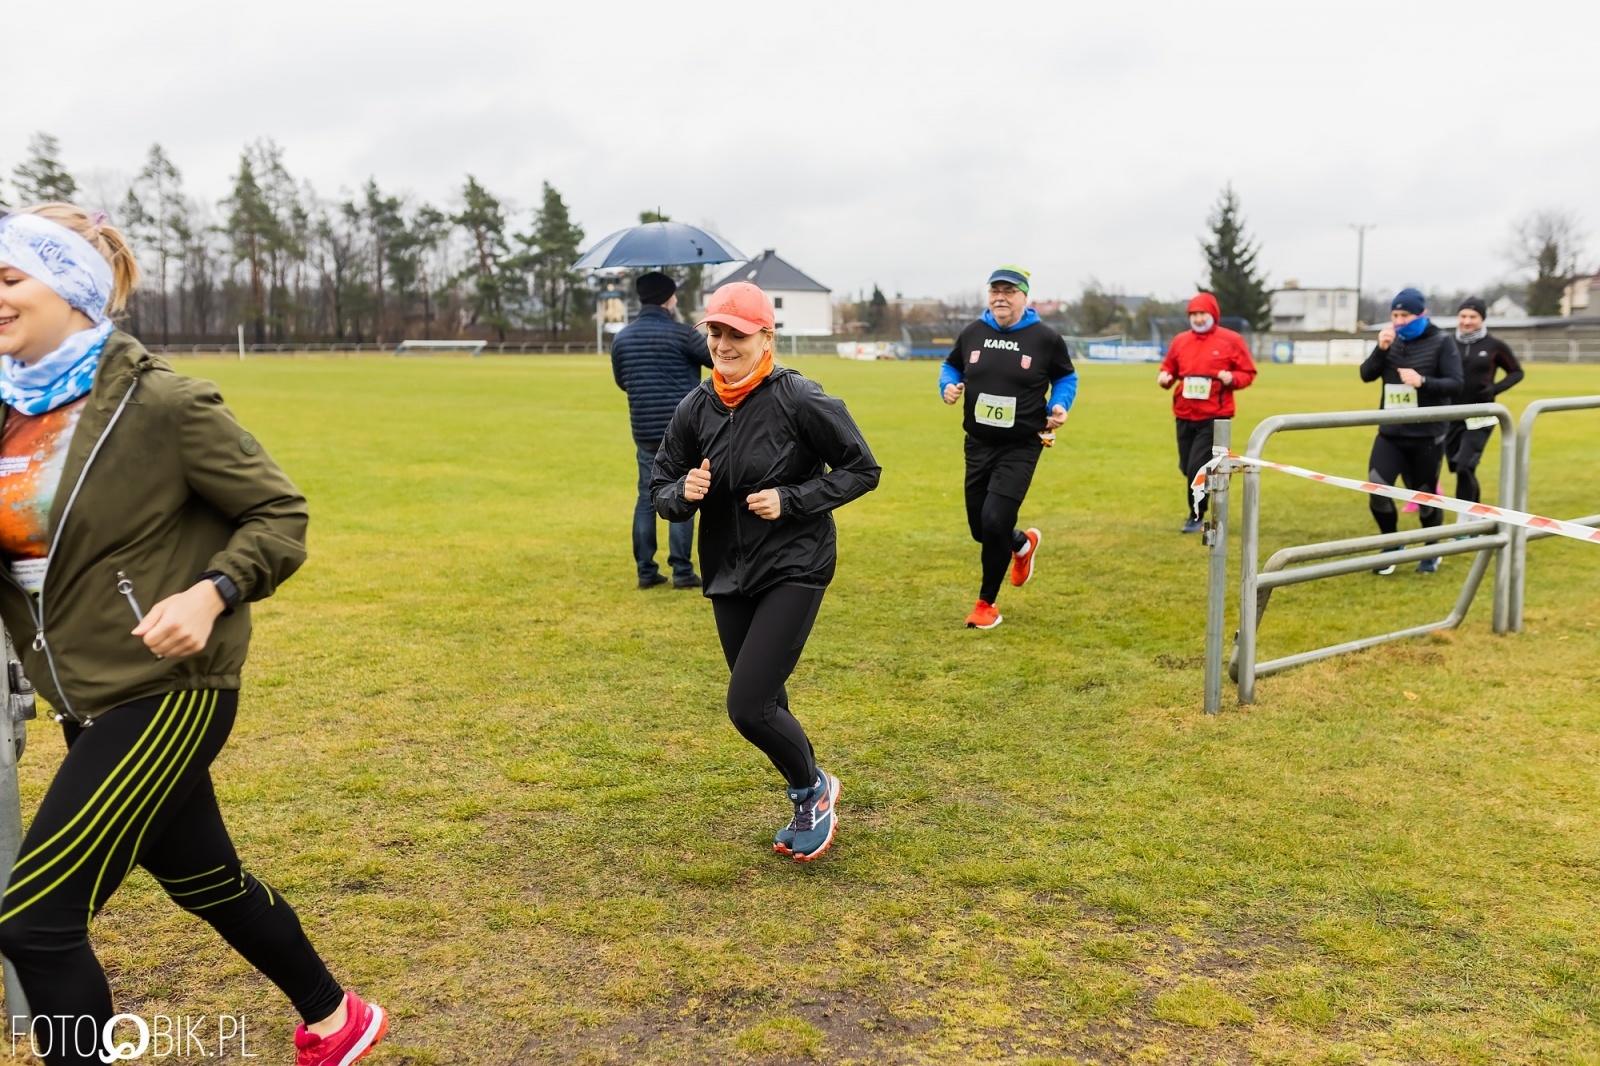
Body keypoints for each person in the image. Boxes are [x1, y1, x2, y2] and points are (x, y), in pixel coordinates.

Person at [0, 204, 386, 1066]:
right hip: (85, 696)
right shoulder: (11, 414)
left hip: (165, 691)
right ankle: (338, 1017)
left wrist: (212, 593)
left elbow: (278, 512)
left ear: (70, 288)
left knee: (38, 924)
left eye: (10, 277)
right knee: (205, 878)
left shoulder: (161, 403)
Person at [652, 282, 879, 862]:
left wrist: (793, 499)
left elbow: (862, 469)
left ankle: (811, 792)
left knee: (747, 706)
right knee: (766, 699)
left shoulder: (799, 398)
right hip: (728, 571)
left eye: (737, 333)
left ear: (765, 337)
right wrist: (684, 492)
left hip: (795, 564)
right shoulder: (696, 406)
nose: (724, 344)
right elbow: (660, 487)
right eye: (716, 332)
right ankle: (815, 783)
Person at [940, 266, 1077, 629]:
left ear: (1024, 296)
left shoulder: (1045, 338)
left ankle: (986, 605)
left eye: (1010, 291)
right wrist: (948, 387)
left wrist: (1060, 405)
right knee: (980, 528)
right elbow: (951, 367)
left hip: (1022, 444)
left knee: (995, 518)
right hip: (978, 444)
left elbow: (1066, 376)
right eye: (995, 290)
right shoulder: (972, 332)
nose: (1001, 297)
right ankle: (1022, 544)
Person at [610, 271, 712, 589]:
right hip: (683, 428)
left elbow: (622, 381)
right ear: (668, 298)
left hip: (643, 426)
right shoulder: (683, 334)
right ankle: (682, 570)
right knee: (684, 491)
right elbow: (718, 359)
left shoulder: (622, 337)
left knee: (646, 495)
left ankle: (645, 570)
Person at [1358, 287, 1463, 575]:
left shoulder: (1442, 342)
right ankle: (1392, 545)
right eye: (1394, 315)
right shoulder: (1389, 340)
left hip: (1427, 435)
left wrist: (1423, 381)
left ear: (1420, 315)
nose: (1399, 320)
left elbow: (1455, 383)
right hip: (1390, 432)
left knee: (1424, 495)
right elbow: (1366, 375)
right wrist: (1380, 350)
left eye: (1405, 315)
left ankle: (1431, 548)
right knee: (1376, 488)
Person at [1156, 292, 1256, 533]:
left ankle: (1196, 515)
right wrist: (1165, 377)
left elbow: (1248, 372)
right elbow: (1168, 367)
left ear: (1213, 315)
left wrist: (1231, 378)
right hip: (1184, 413)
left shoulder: (1231, 340)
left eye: (1203, 314)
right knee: (1186, 467)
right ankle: (1216, 473)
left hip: (1215, 416)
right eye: (1194, 314)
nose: (1198, 319)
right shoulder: (1180, 341)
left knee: (1195, 468)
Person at [1445, 295, 1523, 505]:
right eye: (1463, 316)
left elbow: (1516, 372)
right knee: (1460, 469)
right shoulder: (1447, 343)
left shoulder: (1494, 345)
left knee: (1465, 467)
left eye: (1473, 316)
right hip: (1450, 414)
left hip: (1482, 415)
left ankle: (1463, 528)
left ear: (1482, 319)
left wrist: (1493, 389)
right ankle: (1476, 518)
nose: (1467, 321)